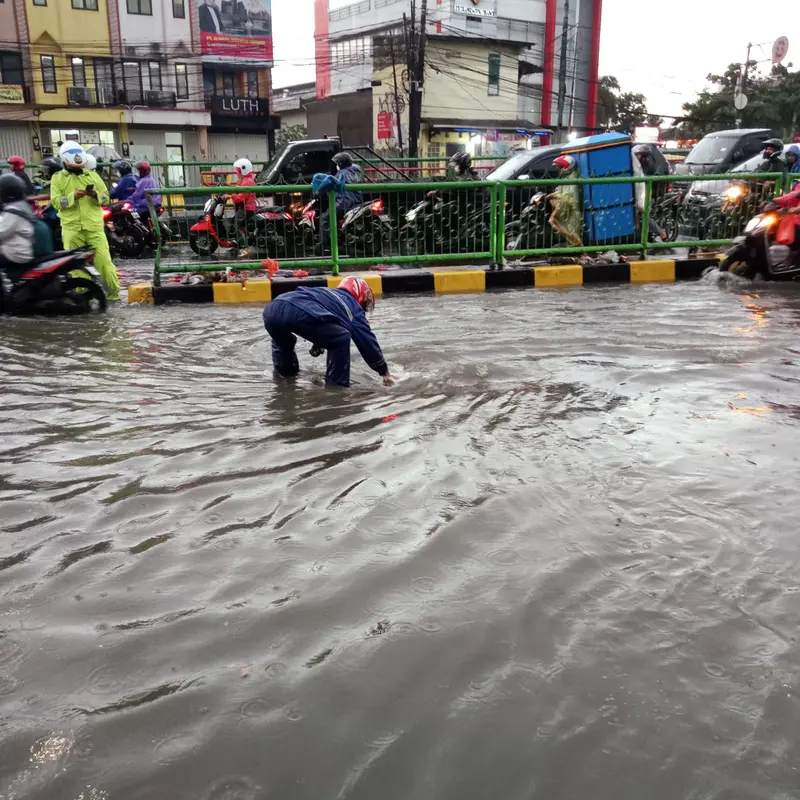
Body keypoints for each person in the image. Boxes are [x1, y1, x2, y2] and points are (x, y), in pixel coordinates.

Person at [262, 276, 393, 388]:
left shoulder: (327, 293)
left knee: (284, 344)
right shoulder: (351, 305)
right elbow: (367, 341)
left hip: (272, 310)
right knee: (341, 338)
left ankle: (283, 383)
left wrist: (319, 341)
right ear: (359, 292)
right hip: (299, 311)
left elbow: (319, 317)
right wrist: (384, 371)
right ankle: (336, 389)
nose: (364, 308)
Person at [50, 141, 120, 301]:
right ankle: (82, 299)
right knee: (77, 268)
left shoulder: (93, 176)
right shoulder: (58, 178)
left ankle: (113, 296)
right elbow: (55, 202)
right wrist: (72, 197)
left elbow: (106, 198)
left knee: (104, 264)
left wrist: (95, 195)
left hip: (94, 228)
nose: (79, 169)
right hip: (72, 229)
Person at [319, 152, 362, 253]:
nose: (336, 165)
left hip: (343, 204)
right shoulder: (355, 172)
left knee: (324, 219)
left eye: (337, 163)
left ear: (341, 164)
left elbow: (330, 184)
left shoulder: (341, 173)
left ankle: (325, 245)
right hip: (356, 202)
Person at [0, 174, 35, 279]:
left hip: (16, 253)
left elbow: (1, 233)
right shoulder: (21, 206)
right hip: (21, 248)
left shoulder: (13, 212)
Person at [632, 144, 669, 242]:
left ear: (643, 156)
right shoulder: (639, 165)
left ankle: (661, 233)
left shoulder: (649, 165)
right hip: (643, 193)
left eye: (638, 155)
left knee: (646, 215)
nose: (636, 157)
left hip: (651, 193)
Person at [549, 155, 583, 247]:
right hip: (566, 210)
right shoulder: (566, 178)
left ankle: (581, 251)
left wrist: (554, 195)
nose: (557, 171)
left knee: (572, 232)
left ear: (566, 167)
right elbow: (559, 190)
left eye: (559, 168)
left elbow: (570, 195)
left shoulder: (572, 178)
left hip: (572, 210)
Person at [232, 157, 257, 259]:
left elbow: (240, 198)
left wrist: (231, 196)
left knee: (234, 226)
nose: (237, 173)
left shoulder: (247, 182)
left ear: (243, 169)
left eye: (238, 171)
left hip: (245, 208)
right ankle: (238, 245)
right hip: (245, 208)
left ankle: (244, 248)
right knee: (241, 227)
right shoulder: (245, 180)